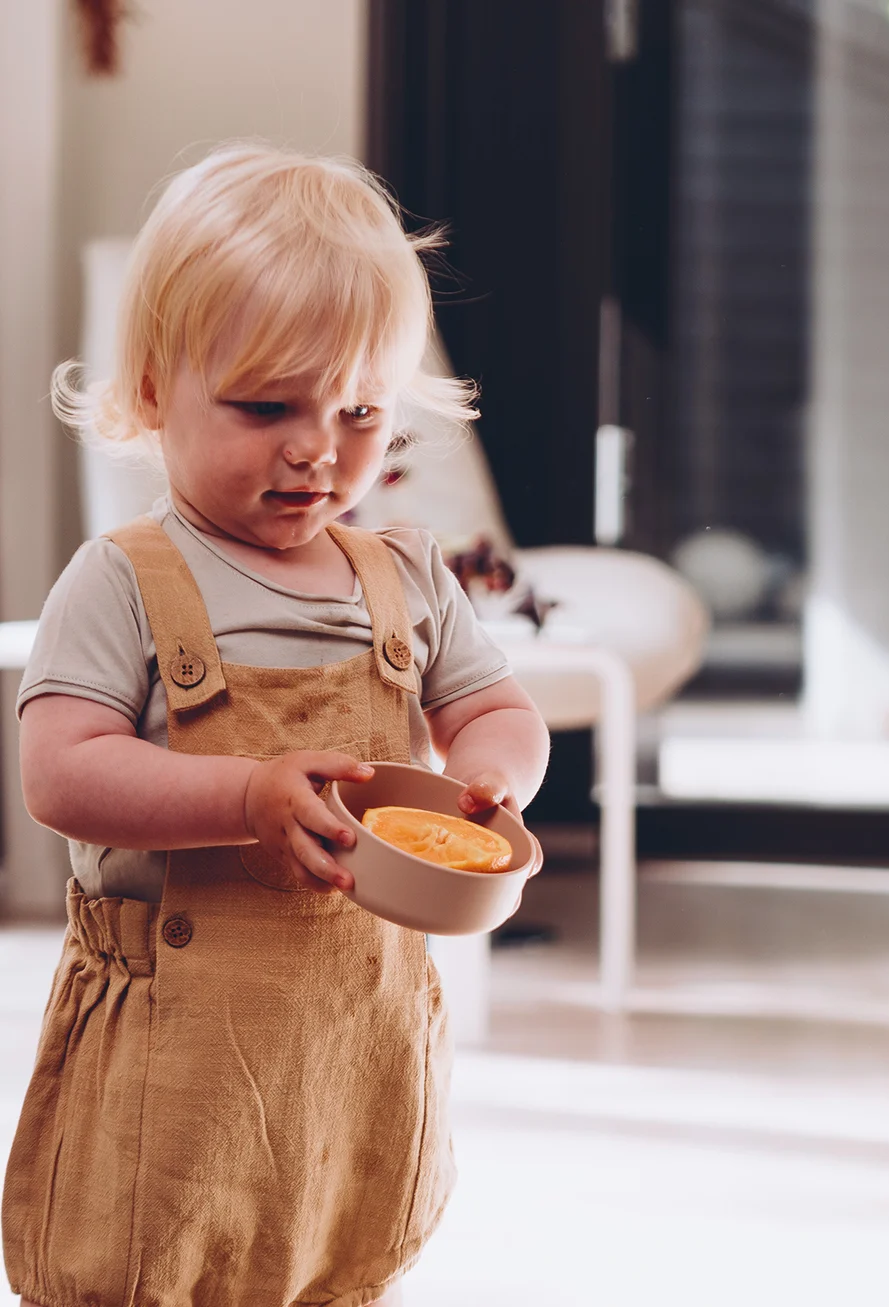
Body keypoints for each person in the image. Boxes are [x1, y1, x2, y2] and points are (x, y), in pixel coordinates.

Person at [1, 143, 550, 1307]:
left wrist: (492, 780)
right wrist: (239, 799)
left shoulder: (404, 575)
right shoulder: (123, 580)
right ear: (154, 390)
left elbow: (494, 708)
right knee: (146, 1264)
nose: (317, 448)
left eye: (358, 410)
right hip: (171, 1065)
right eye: (266, 407)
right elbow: (60, 770)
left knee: (336, 1257)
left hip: (351, 1059)